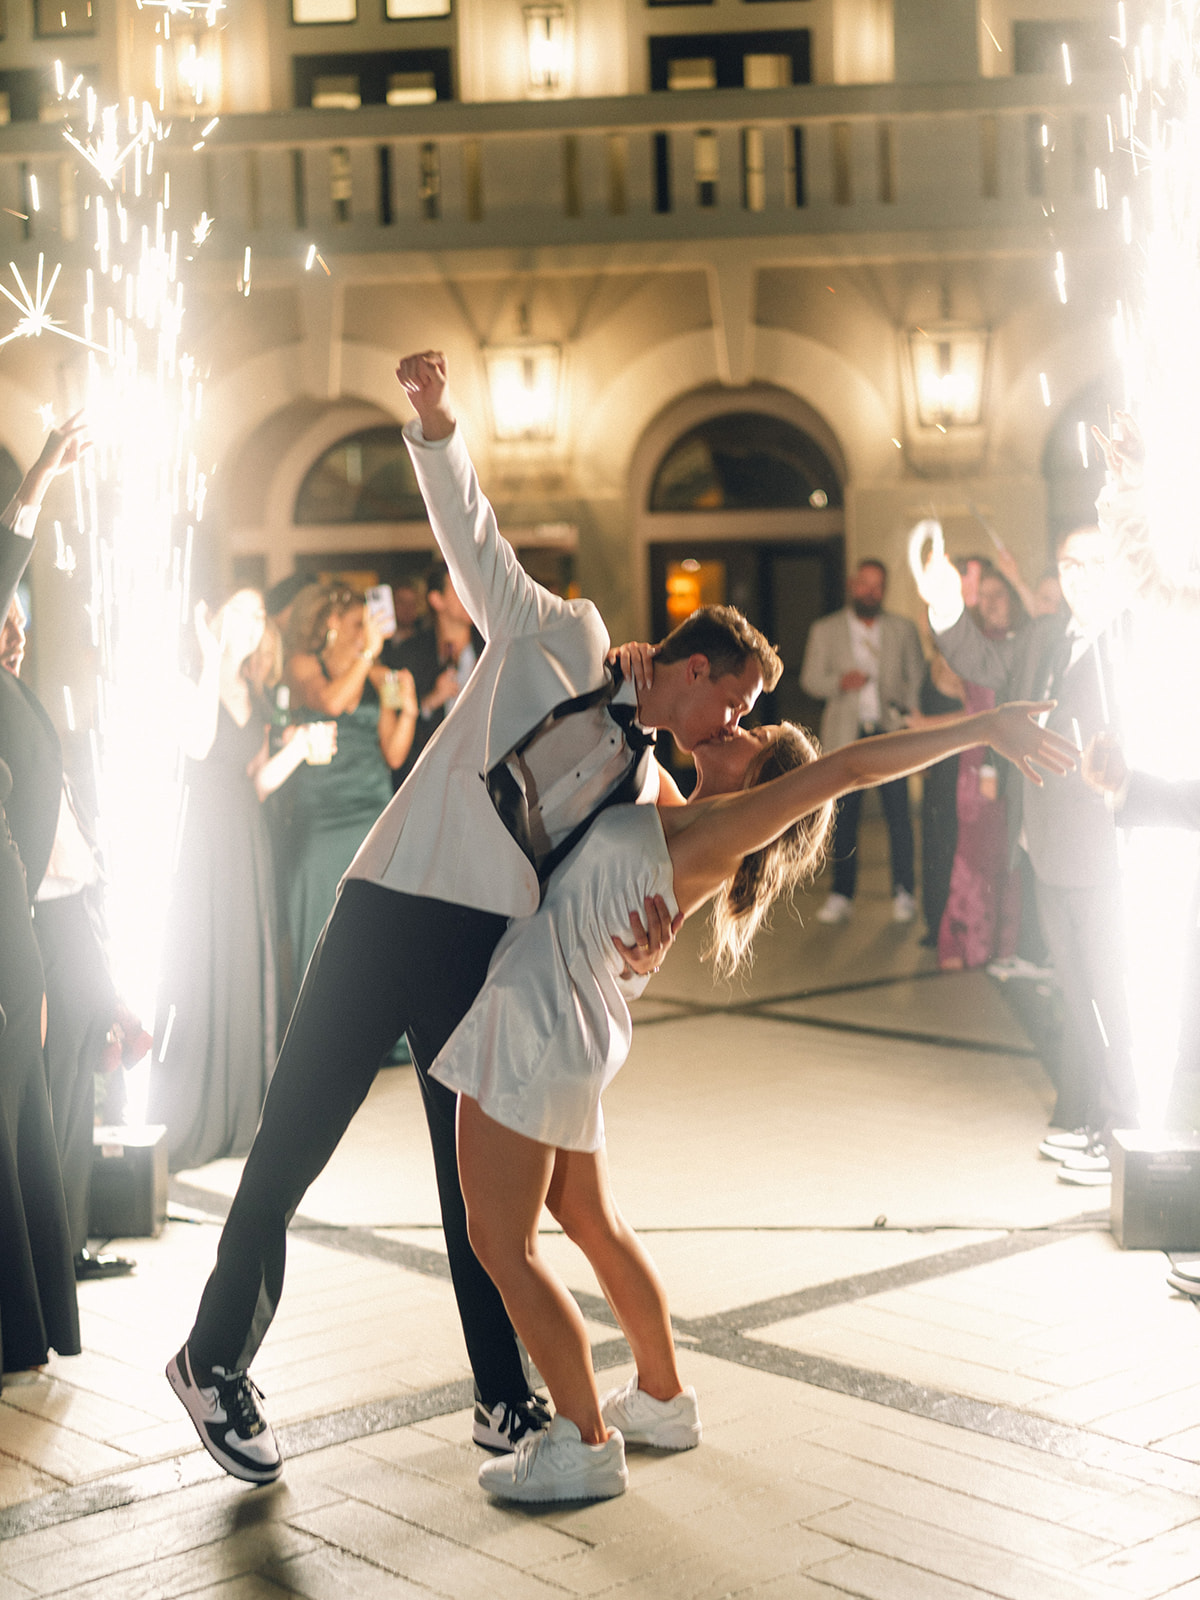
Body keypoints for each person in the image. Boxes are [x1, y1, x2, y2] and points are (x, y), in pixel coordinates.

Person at [166, 349, 776, 1485]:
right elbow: (475, 542)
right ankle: (211, 1358)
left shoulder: (652, 785)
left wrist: (647, 946)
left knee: (475, 1187)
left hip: (481, 956)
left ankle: (504, 1398)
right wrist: (437, 424)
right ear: (691, 666)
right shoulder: (566, 636)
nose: (730, 723)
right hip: (390, 903)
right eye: (732, 701)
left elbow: (642, 894)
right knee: (293, 1139)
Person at [436, 700, 1077, 1502]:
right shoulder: (687, 807)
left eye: (755, 737)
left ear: (769, 786)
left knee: (502, 1242)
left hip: (541, 1022)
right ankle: (662, 1398)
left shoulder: (732, 825)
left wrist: (981, 728)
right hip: (567, 1015)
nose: (736, 727)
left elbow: (851, 768)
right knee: (589, 1219)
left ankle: (584, 1441)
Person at [917, 521, 1137, 1183]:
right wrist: (945, 604)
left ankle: (1121, 1132)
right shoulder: (1047, 634)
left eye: (1095, 563)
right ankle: (1085, 1118)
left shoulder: (1135, 640)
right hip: (1045, 844)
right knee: (1076, 992)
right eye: (1070, 563)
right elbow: (983, 663)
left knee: (1114, 996)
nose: (1080, 576)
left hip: (1108, 850)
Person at [150, 591, 336, 1172]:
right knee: (203, 960)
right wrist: (211, 659)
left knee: (243, 962)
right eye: (242, 610)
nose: (255, 622)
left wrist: (299, 750)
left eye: (260, 614)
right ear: (214, 616)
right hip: (200, 842)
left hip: (246, 837)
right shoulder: (187, 681)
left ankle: (241, 1112)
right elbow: (199, 744)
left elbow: (254, 781)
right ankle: (195, 1112)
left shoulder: (254, 692)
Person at [0, 420, 88, 1374]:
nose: (14, 630)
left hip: (10, 925)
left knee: (16, 1119)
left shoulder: (13, 694)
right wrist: (35, 483)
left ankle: (24, 1323)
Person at [283, 584, 416, 976]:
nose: (367, 631)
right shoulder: (304, 665)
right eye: (359, 622)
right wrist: (368, 654)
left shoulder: (379, 676)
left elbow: (394, 754)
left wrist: (408, 711)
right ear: (333, 622)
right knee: (319, 931)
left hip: (372, 812)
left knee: (373, 935)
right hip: (322, 816)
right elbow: (331, 702)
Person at [799, 559, 925, 924]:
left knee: (899, 816)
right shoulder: (826, 629)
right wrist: (840, 682)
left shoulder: (902, 628)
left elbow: (917, 676)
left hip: (890, 733)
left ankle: (904, 892)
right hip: (846, 736)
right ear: (852, 585)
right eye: (864, 584)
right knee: (843, 818)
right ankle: (841, 894)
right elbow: (809, 679)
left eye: (877, 586)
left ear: (884, 590)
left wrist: (905, 712)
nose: (870, 591)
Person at [936, 566, 1026, 971]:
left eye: (998, 594)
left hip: (1013, 762)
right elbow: (944, 675)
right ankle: (967, 941)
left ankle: (1004, 945)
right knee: (974, 853)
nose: (991, 603)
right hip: (977, 765)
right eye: (984, 596)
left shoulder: (1024, 645)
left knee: (1008, 853)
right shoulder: (975, 647)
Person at [380, 562, 479, 792]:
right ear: (437, 600)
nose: (470, 595)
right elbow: (393, 722)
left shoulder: (490, 646)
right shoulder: (408, 654)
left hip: (483, 770)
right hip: (431, 777)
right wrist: (431, 700)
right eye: (459, 588)